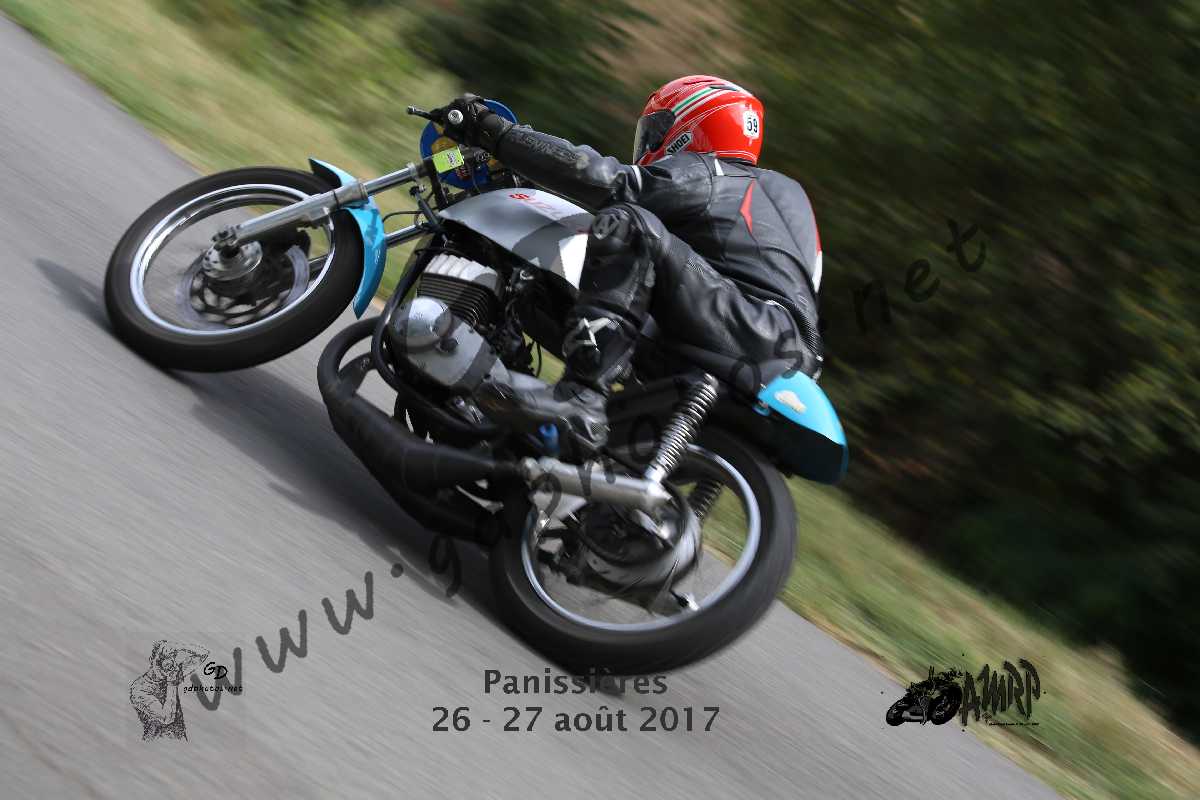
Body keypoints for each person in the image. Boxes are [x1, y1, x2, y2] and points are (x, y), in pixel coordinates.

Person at [432, 75, 824, 451]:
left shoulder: (717, 174)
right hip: (784, 356)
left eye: (657, 130)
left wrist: (495, 132)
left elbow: (608, 181)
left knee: (629, 224)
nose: (650, 142)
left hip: (749, 328)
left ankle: (583, 394)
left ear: (692, 127)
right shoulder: (786, 197)